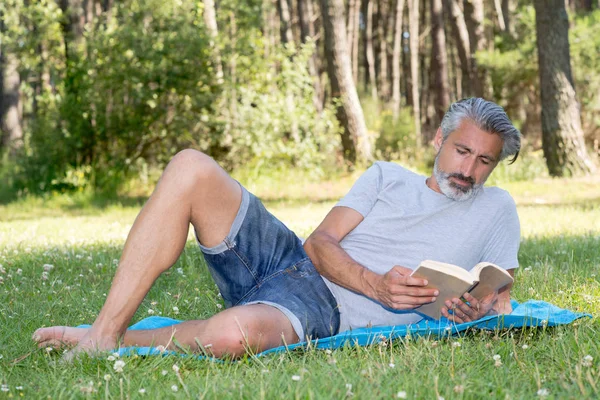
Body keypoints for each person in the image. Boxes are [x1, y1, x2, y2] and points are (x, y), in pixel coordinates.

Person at [33, 97, 521, 359]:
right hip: (288, 261)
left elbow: (500, 298)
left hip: (320, 307)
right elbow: (319, 243)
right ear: (438, 139)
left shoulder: (497, 209)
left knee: (228, 339)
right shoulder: (385, 176)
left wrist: (476, 311)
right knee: (190, 167)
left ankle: (105, 339)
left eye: (484, 161)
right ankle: (103, 331)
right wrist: (375, 283)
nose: (468, 169)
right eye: (461, 151)